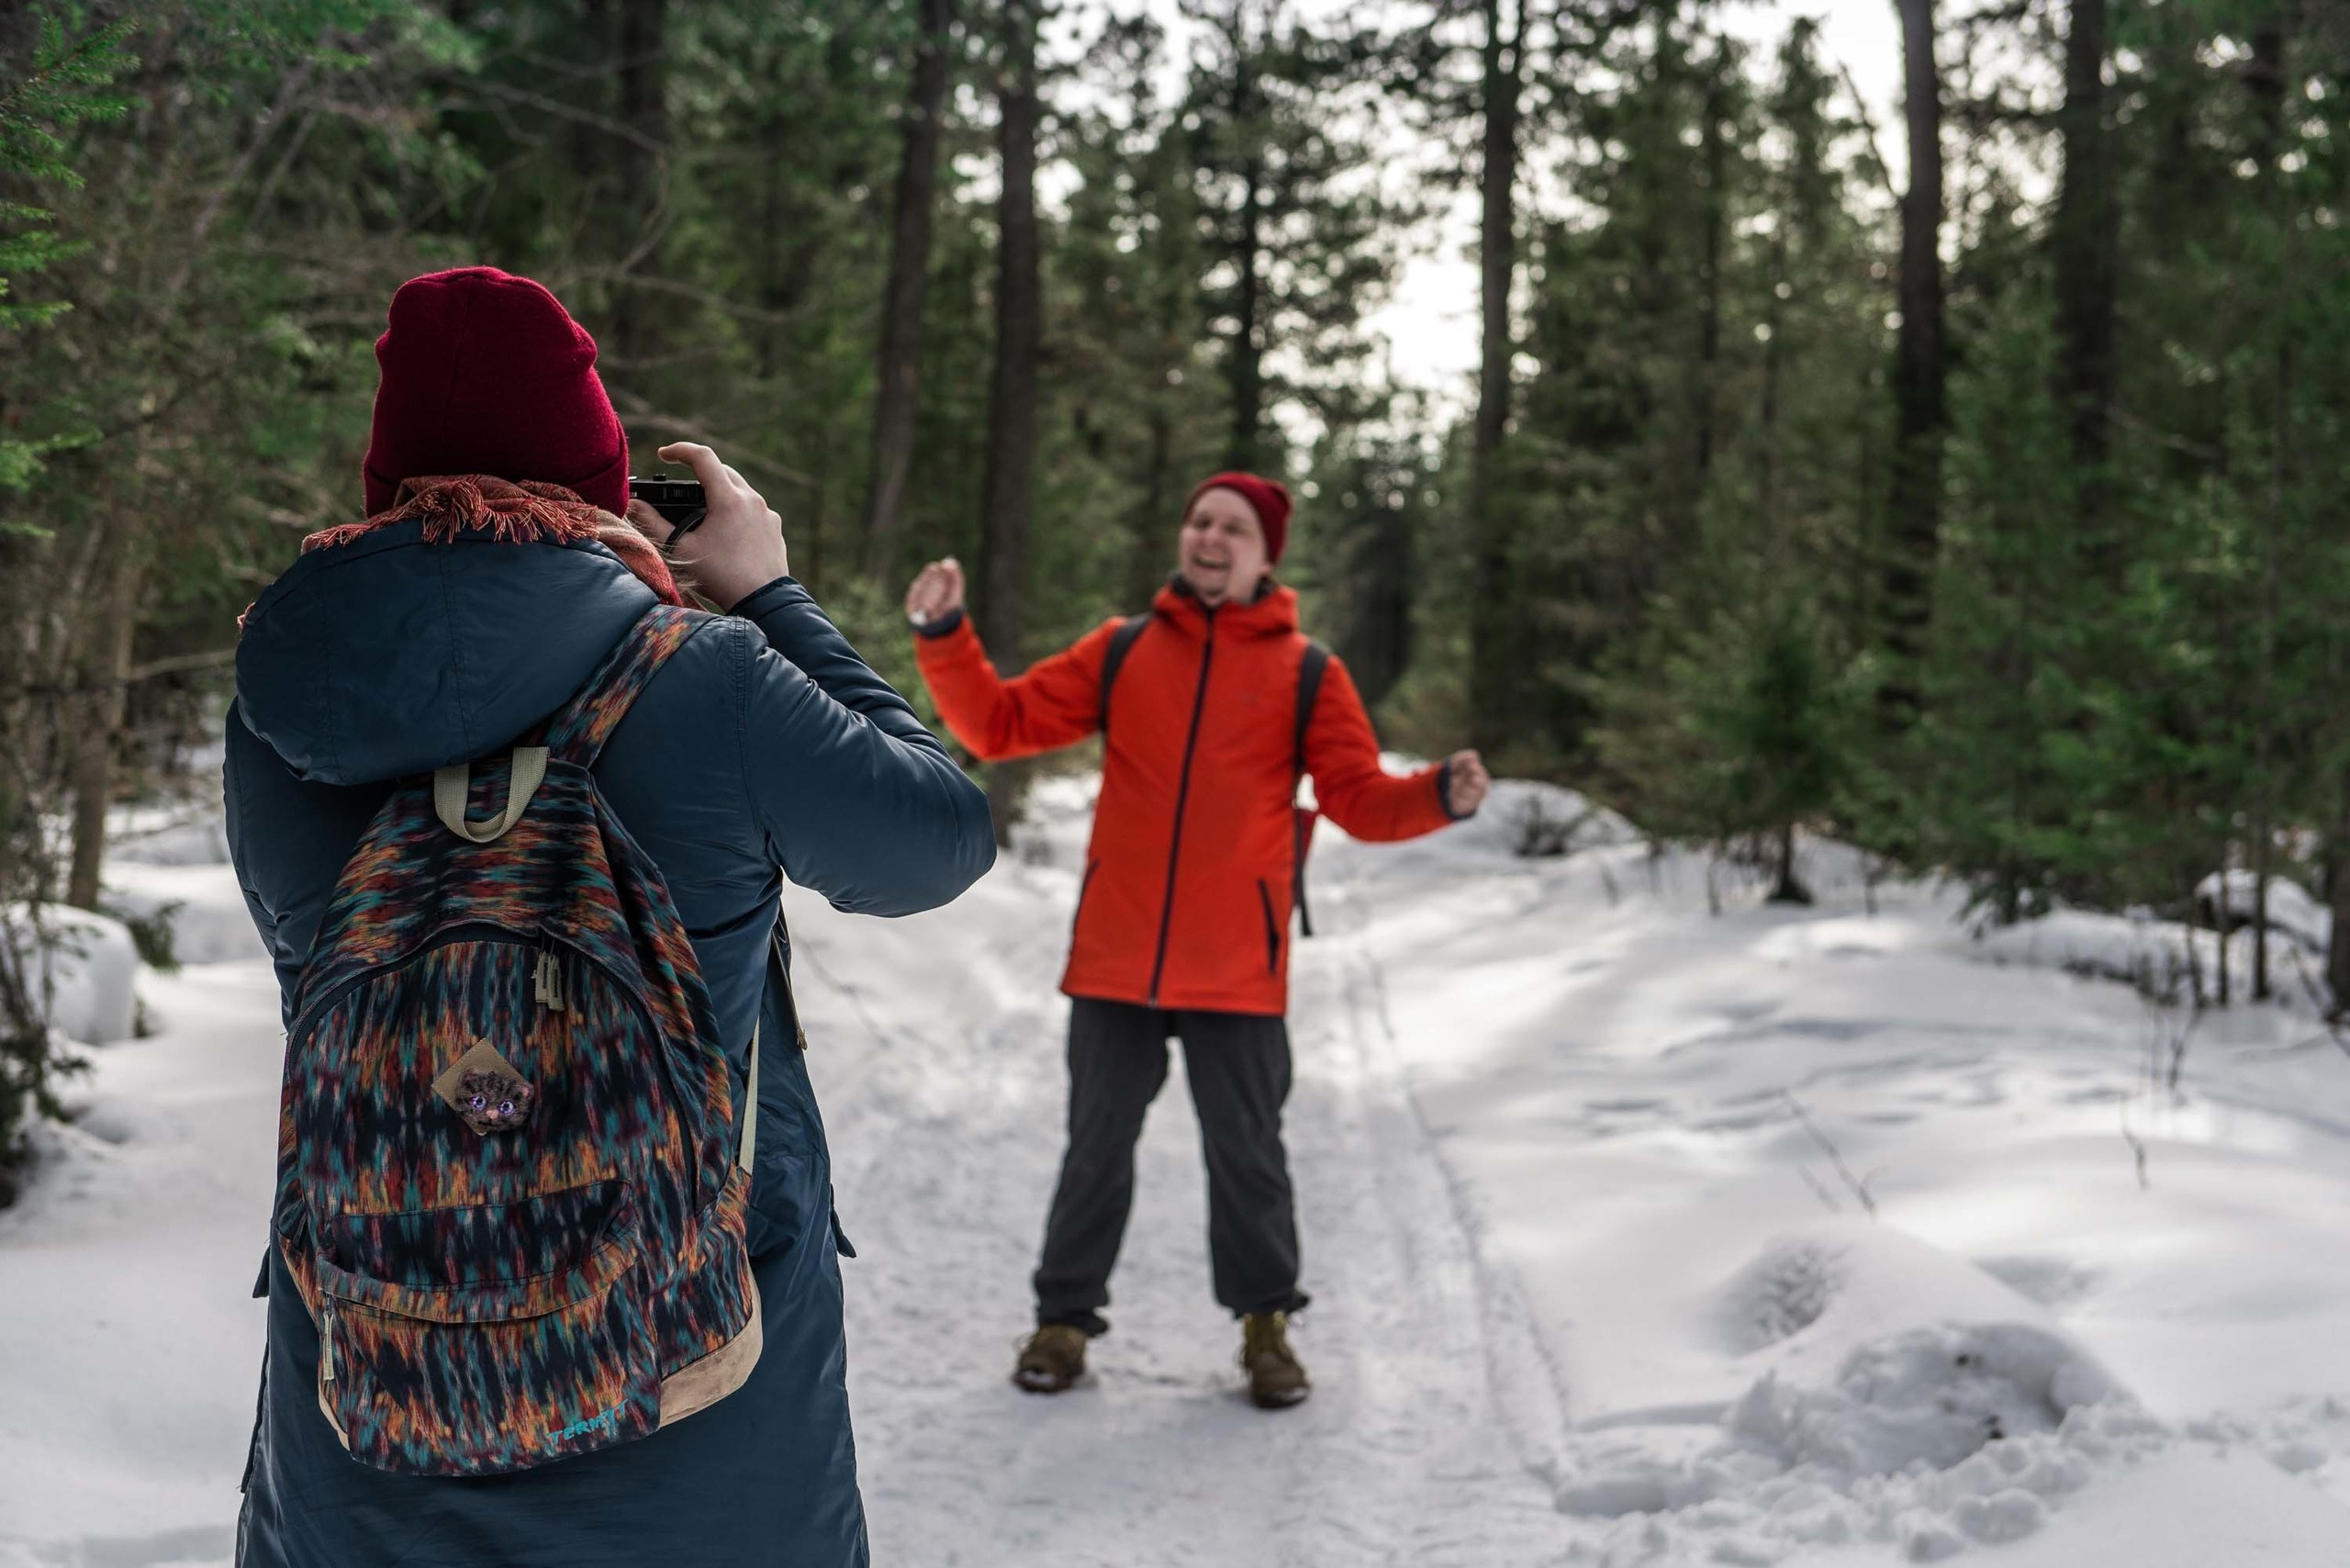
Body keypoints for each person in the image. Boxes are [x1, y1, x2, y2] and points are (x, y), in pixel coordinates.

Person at [227, 266, 994, 1566]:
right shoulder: (708, 675)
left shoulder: (285, 698)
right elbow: (934, 841)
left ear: (385, 475)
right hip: (696, 1401)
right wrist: (766, 596)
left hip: (369, 1407)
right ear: (599, 478)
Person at [903, 472, 1491, 1408]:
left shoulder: (1307, 672)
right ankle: (1062, 1321)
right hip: (1116, 958)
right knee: (1094, 1148)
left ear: (1267, 557)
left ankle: (1266, 1330)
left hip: (1236, 968)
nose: (1211, 538)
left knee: (1248, 1155)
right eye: (1199, 521)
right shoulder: (1126, 649)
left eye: (1234, 529)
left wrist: (1434, 798)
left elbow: (1357, 799)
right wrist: (944, 636)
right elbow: (999, 723)